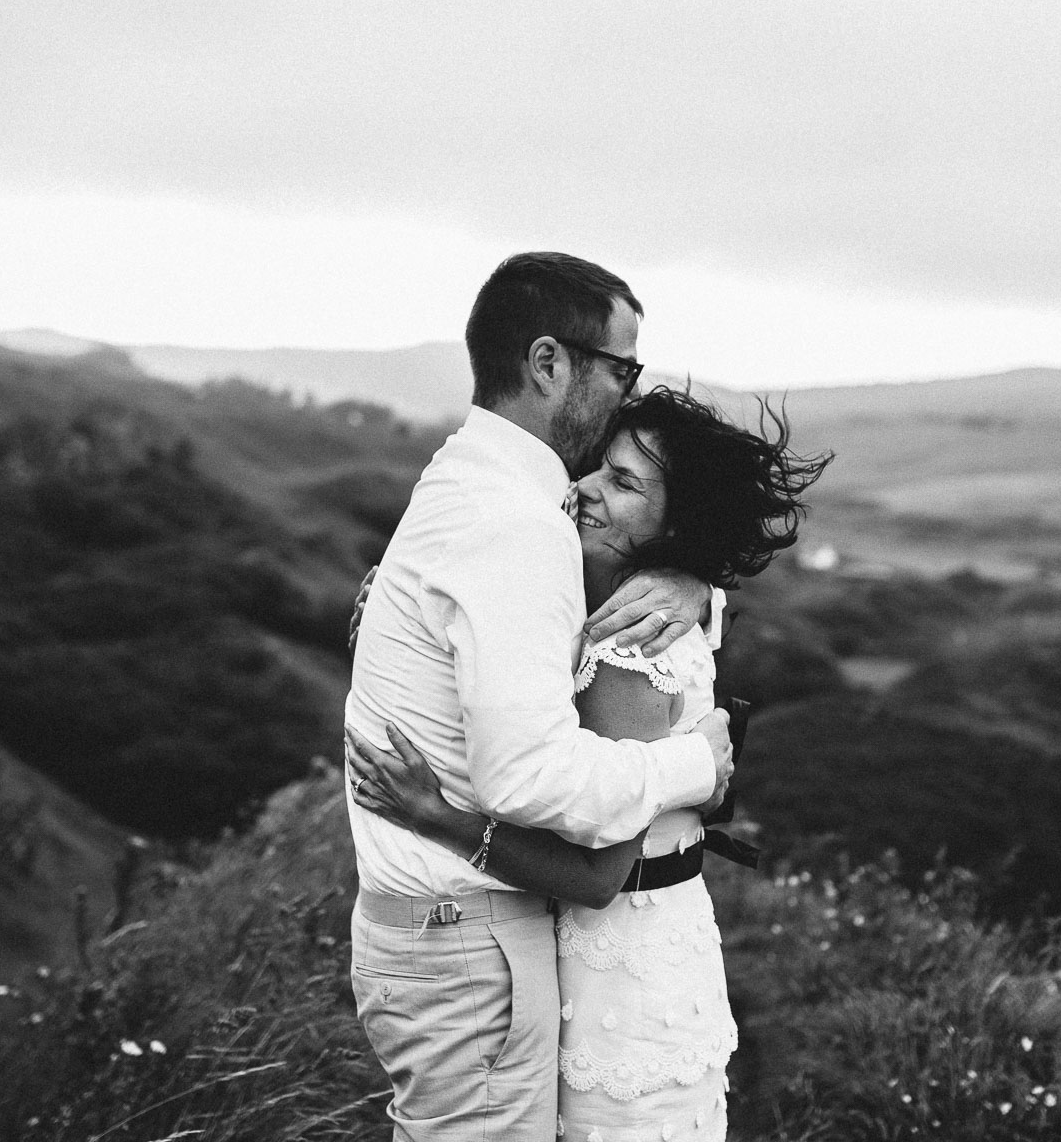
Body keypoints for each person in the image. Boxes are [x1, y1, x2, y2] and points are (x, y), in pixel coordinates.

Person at [350, 386, 830, 1142]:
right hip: (639, 963)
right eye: (598, 468)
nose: (584, 491)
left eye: (624, 483)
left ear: (676, 525)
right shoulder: (632, 608)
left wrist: (438, 817)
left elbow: (597, 877)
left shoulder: (627, 651)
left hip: (620, 983)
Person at [342, 253, 737, 1141]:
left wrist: (698, 587)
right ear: (550, 362)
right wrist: (693, 763)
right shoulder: (517, 523)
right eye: (622, 369)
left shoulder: (473, 478)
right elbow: (530, 780)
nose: (628, 391)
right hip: (466, 940)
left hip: (471, 935)